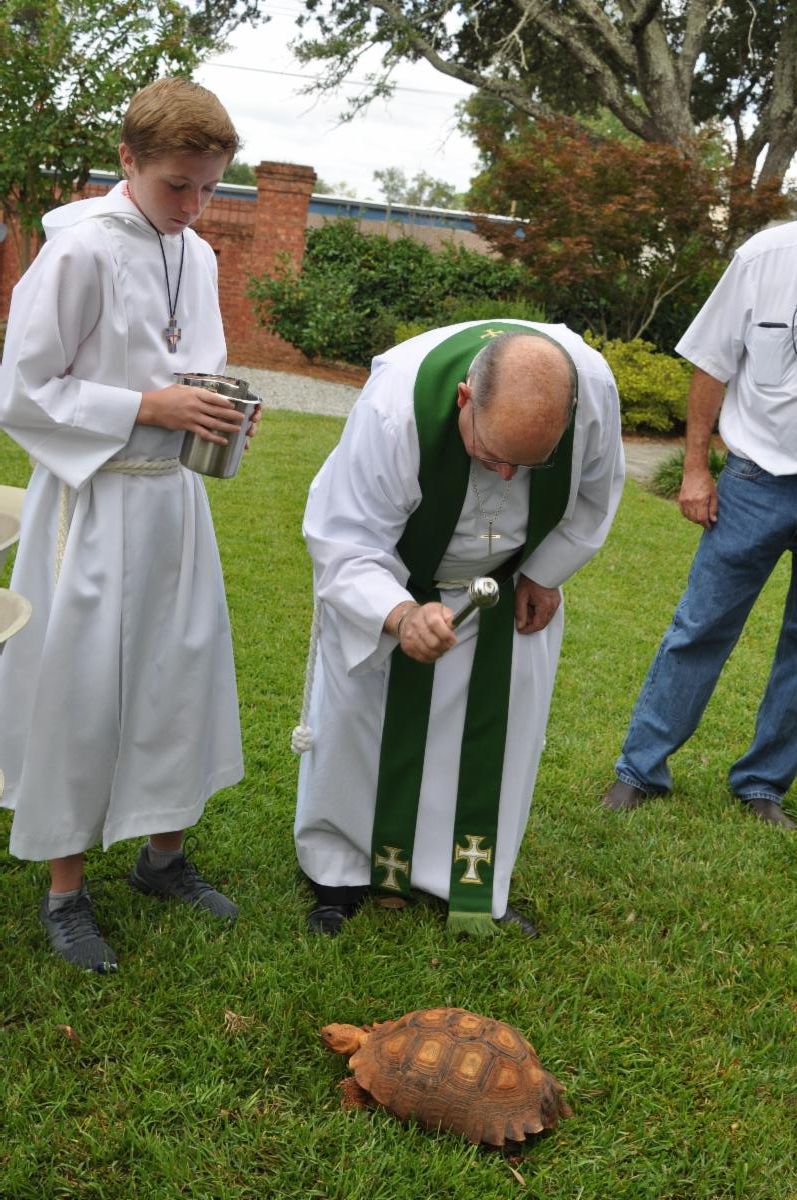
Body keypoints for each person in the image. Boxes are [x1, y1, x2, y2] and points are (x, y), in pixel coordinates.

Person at [0, 77, 260, 973]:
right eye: (175, 187)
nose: (193, 207)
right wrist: (151, 402)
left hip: (173, 502)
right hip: (95, 504)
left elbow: (201, 364)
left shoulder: (202, 253)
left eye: (209, 187)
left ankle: (162, 857)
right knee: (80, 689)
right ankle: (66, 892)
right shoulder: (77, 252)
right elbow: (24, 390)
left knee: (175, 673)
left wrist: (219, 409)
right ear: (128, 161)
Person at [293, 320, 624, 936]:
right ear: (465, 400)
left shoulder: (594, 390)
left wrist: (545, 573)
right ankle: (339, 872)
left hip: (506, 579)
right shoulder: (396, 403)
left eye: (527, 465)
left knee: (492, 734)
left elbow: (596, 496)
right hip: (394, 571)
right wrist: (397, 613)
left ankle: (460, 879)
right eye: (494, 456)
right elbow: (345, 535)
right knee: (360, 723)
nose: (506, 478)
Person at [602, 220, 797, 829]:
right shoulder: (766, 257)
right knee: (700, 627)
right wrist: (694, 468)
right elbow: (711, 363)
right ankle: (640, 769)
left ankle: (763, 782)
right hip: (755, 480)